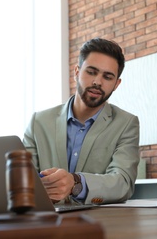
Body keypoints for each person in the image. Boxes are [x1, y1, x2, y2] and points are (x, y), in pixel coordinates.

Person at [23, 38, 140, 205]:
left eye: (107, 77)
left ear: (116, 84)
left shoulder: (127, 124)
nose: (97, 82)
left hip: (97, 224)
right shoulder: (39, 122)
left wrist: (76, 183)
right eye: (91, 72)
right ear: (76, 72)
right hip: (45, 223)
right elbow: (21, 180)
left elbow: (122, 183)